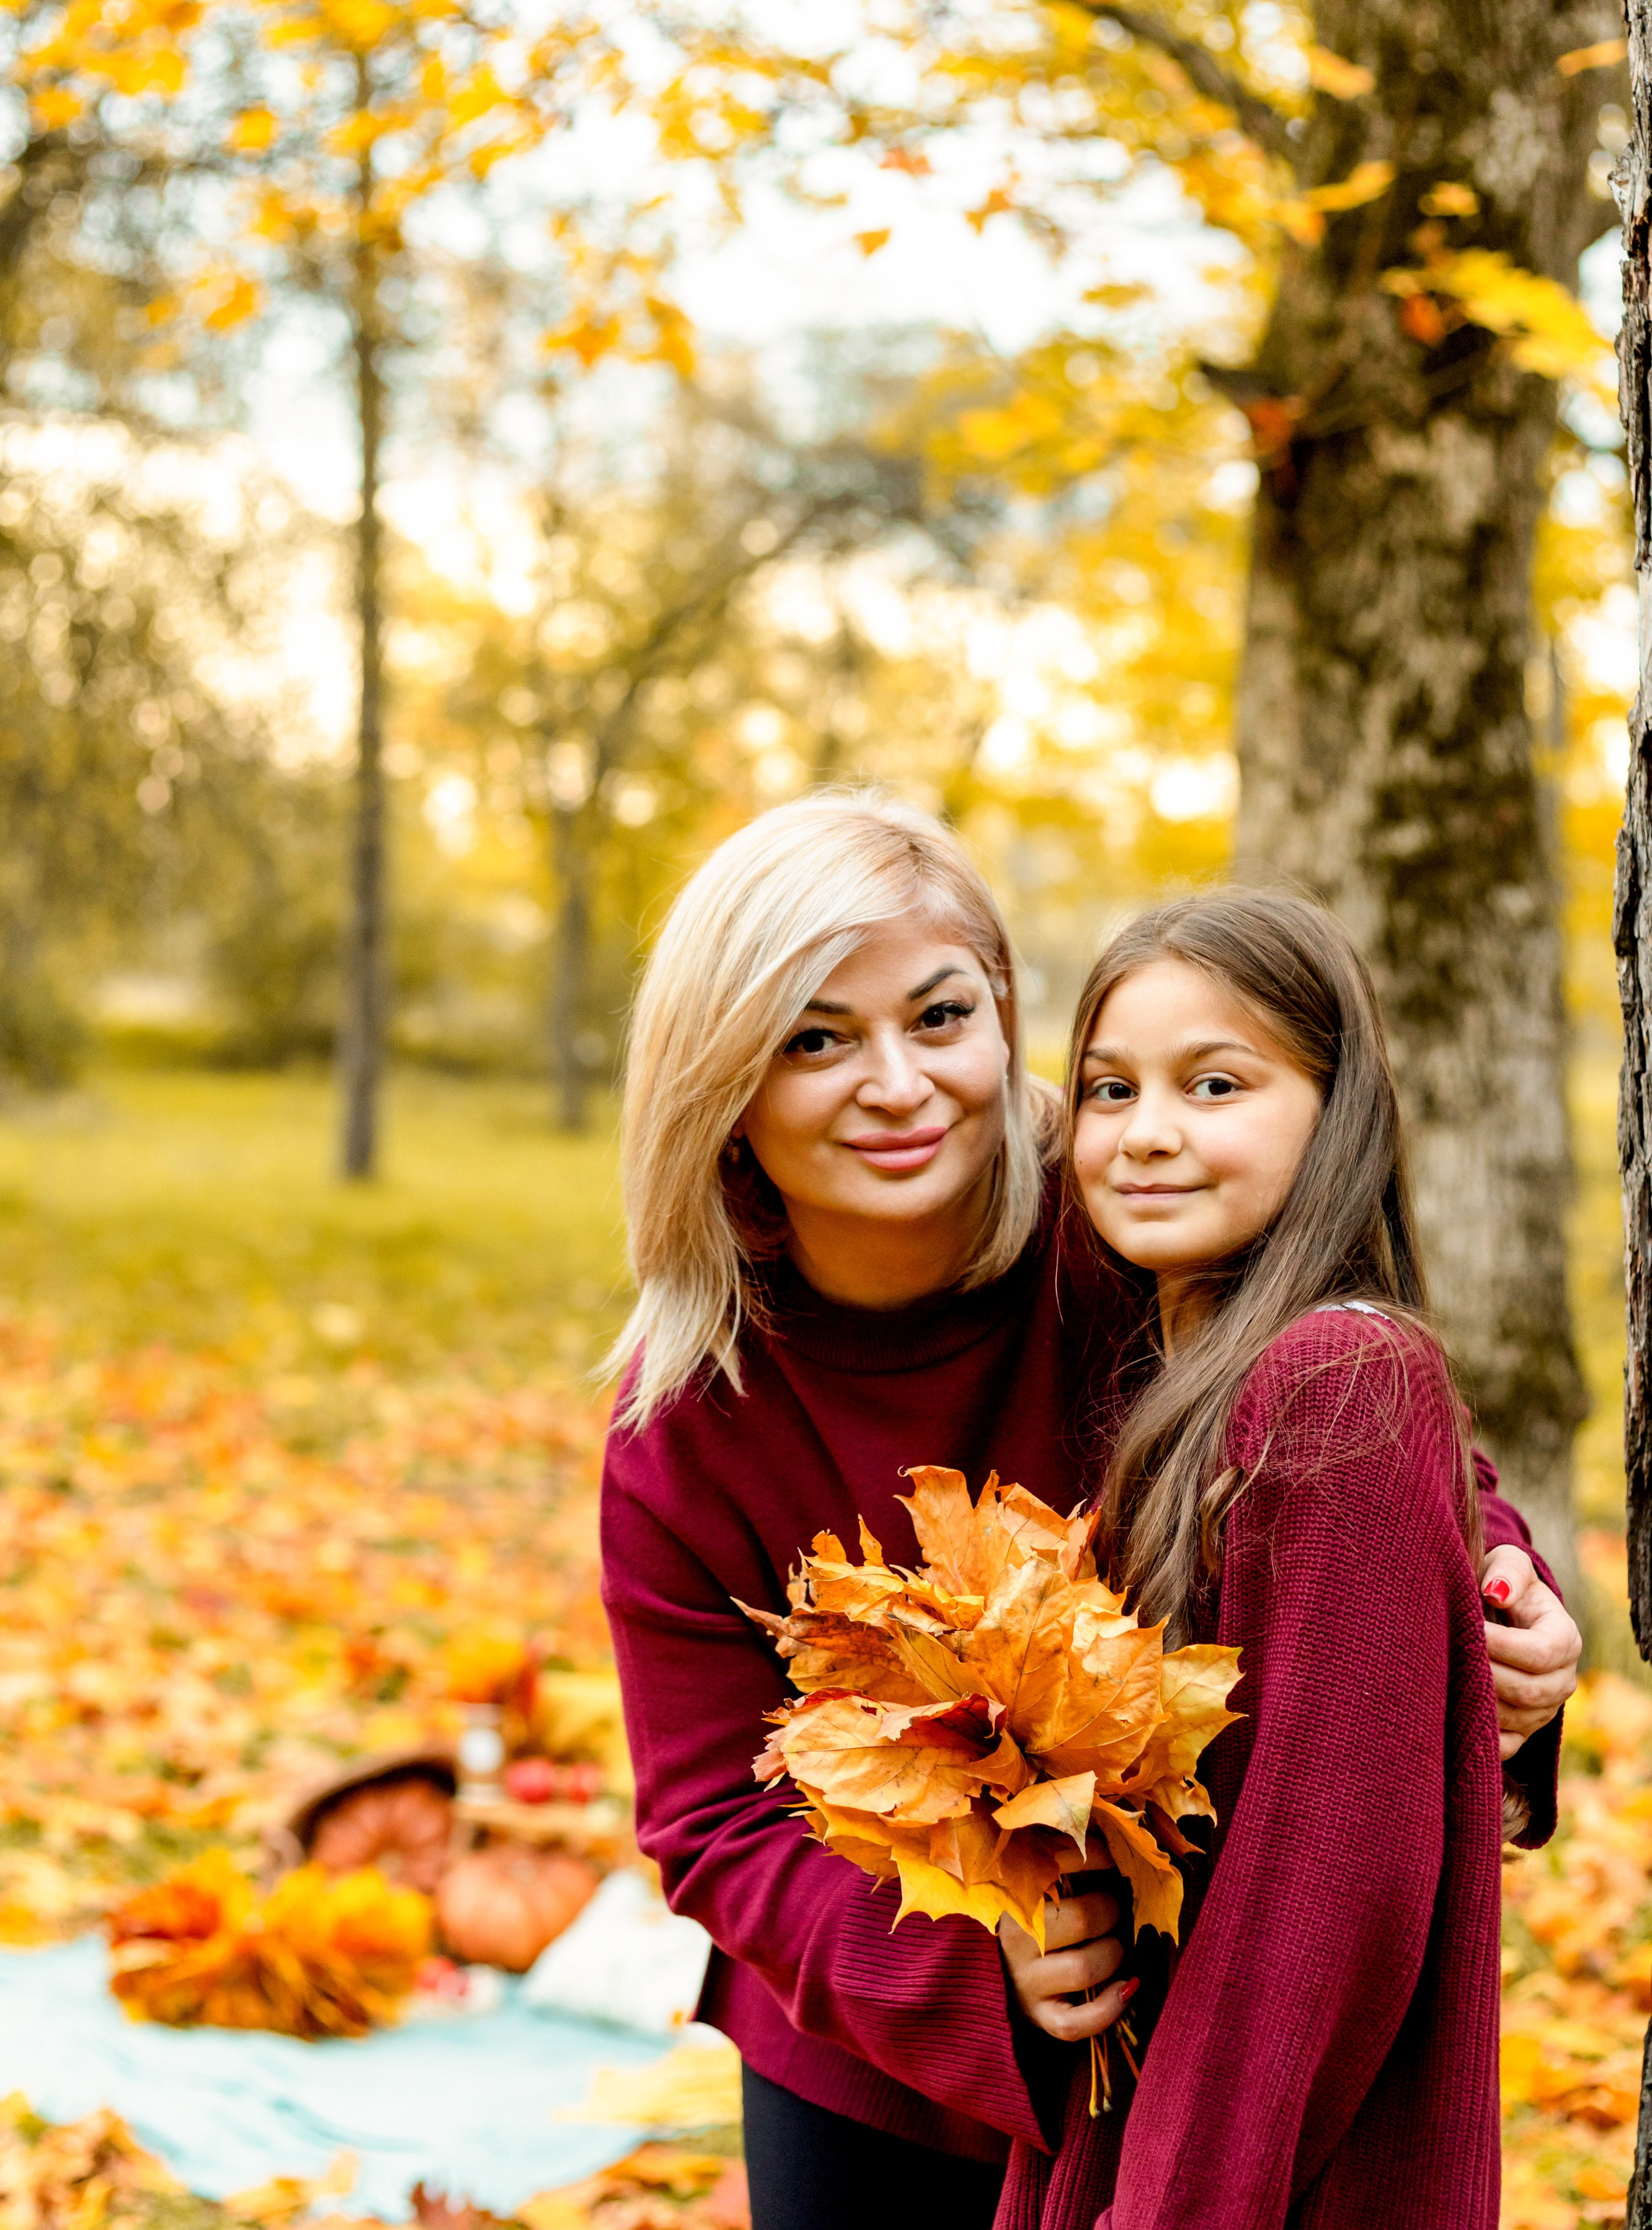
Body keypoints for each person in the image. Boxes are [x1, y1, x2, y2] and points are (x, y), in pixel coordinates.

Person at [598, 796, 1577, 2230]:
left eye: (938, 1017)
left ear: (1002, 1020)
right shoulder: (687, 1416)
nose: (895, 1084)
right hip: (872, 2044)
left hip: (1183, 2030)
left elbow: (1337, 1417)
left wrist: (1502, 1582)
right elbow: (703, 1817)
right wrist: (961, 1965)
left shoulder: (1125, 1206)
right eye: (815, 1039)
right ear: (721, 1081)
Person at [996, 887, 1514, 2229]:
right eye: (1107, 1089)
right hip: (1148, 2128)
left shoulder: (1334, 1378)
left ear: (1334, 1110)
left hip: (1247, 2173)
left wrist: (1177, 2203)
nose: (1146, 1133)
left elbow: (1319, 1904)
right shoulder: (1180, 1381)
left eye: (1213, 1084)